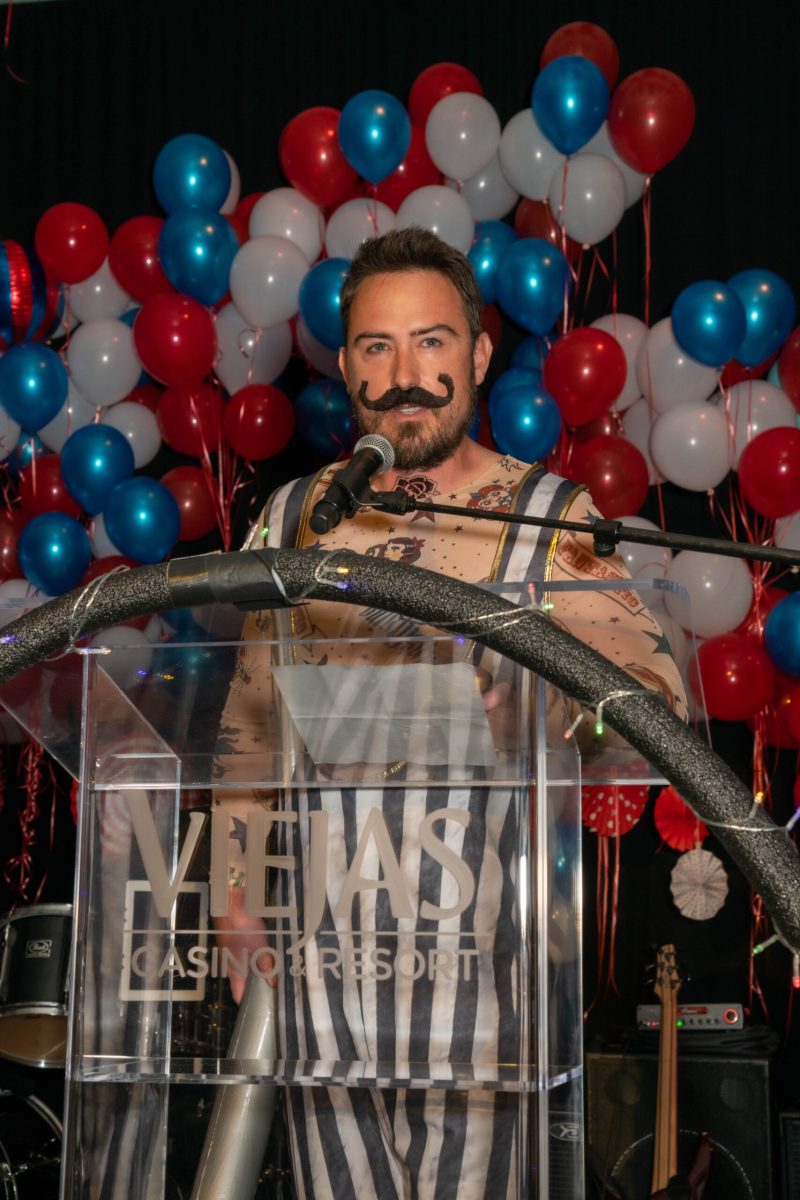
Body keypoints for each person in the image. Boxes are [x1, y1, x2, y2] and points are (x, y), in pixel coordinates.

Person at [215, 227, 687, 1199]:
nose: (405, 377)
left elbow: (653, 702)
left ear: (476, 355)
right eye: (377, 347)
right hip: (320, 960)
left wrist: (545, 712)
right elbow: (248, 729)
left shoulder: (546, 517)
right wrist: (233, 900)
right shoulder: (295, 516)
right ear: (345, 365)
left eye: (430, 343)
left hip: (485, 960)